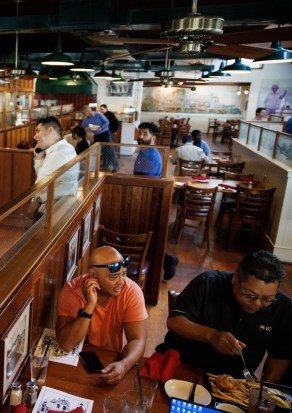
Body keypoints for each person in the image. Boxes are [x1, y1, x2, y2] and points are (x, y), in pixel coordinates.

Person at [157, 250, 292, 382]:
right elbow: (175, 321)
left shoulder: (283, 306)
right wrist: (211, 335)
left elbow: (280, 354)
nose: (256, 303)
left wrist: (264, 393)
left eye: (267, 299)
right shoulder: (208, 283)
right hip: (186, 369)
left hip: (236, 381)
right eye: (249, 295)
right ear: (235, 278)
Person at [56, 246, 148, 385]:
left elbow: (137, 340)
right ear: (93, 275)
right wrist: (89, 305)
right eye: (114, 277)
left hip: (116, 357)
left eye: (124, 274)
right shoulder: (72, 291)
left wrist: (124, 365)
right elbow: (66, 344)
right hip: (80, 359)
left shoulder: (131, 292)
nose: (121, 282)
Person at [29, 116, 79, 216]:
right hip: (50, 206)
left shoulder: (60, 152)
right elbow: (43, 177)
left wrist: (36, 201)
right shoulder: (58, 149)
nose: (35, 136)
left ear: (50, 130)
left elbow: (42, 182)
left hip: (55, 210)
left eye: (38, 131)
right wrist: (39, 159)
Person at [81, 106, 119, 173]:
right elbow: (82, 127)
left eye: (84, 113)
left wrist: (102, 127)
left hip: (105, 134)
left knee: (110, 151)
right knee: (94, 151)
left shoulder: (98, 115)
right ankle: (92, 168)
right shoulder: (86, 119)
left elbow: (107, 122)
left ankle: (116, 167)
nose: (84, 114)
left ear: (89, 111)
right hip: (97, 136)